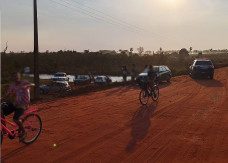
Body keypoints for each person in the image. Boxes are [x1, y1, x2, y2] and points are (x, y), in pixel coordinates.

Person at [1, 72, 35, 142]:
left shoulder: (24, 82)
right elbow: (7, 95)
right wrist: (1, 99)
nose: (16, 78)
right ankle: (4, 130)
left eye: (17, 76)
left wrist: (27, 85)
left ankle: (24, 132)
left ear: (19, 77)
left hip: (23, 104)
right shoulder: (13, 86)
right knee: (1, 111)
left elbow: (33, 84)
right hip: (16, 104)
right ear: (13, 78)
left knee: (15, 119)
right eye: (14, 76)